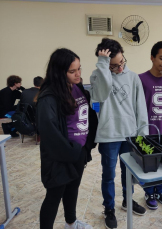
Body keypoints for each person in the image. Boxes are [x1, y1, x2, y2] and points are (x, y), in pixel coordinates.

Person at [36, 48, 98, 229]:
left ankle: (71, 223)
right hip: (61, 157)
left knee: (72, 189)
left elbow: (86, 116)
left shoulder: (77, 87)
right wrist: (72, 151)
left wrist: (86, 146)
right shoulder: (49, 97)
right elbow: (49, 131)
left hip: (78, 152)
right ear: (59, 72)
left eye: (79, 69)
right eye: (72, 71)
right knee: (54, 197)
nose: (78, 74)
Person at [90, 38, 148, 229]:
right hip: (109, 135)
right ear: (105, 63)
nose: (120, 68)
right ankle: (109, 209)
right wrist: (104, 67)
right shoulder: (97, 76)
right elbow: (101, 94)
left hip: (130, 135)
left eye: (122, 62)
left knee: (128, 173)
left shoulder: (133, 77)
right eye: (114, 66)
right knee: (108, 175)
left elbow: (141, 108)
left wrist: (142, 134)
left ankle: (127, 201)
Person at [139, 41, 162, 210]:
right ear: (152, 57)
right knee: (149, 163)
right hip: (146, 130)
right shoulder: (141, 79)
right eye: (161, 58)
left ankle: (160, 190)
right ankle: (149, 192)